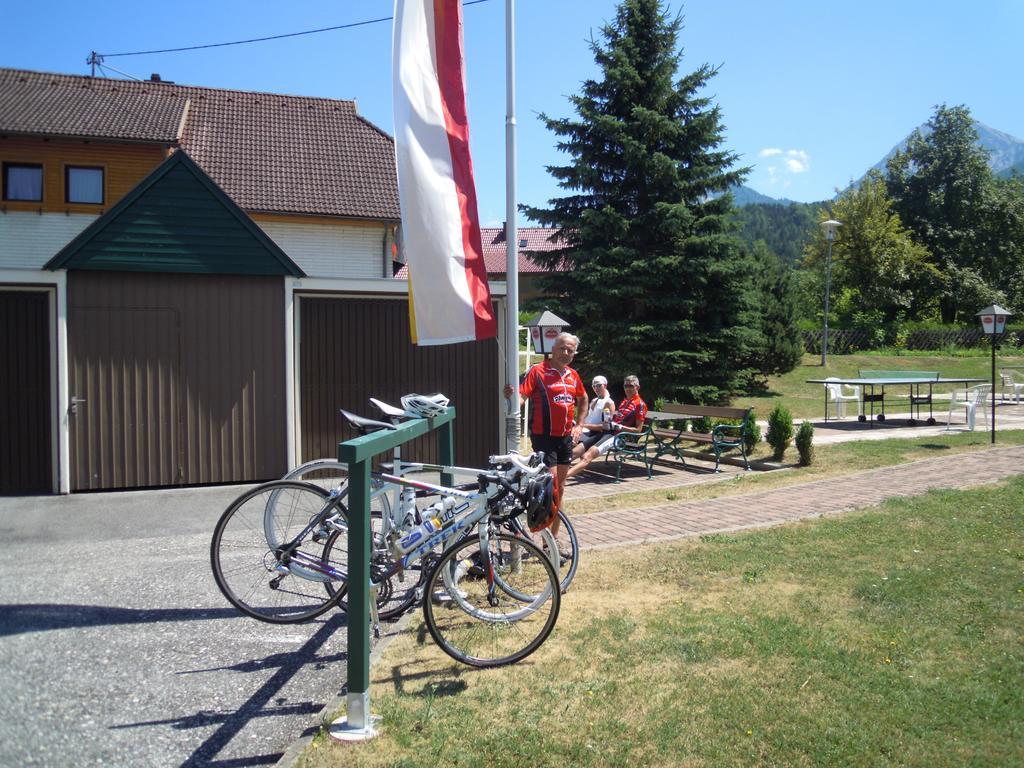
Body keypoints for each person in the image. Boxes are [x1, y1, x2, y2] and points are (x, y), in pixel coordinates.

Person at [503, 332, 587, 531]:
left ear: (573, 354)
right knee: (552, 487)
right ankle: (539, 532)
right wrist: (512, 399)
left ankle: (552, 540)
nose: (565, 353)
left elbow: (583, 399)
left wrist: (580, 425)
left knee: (561, 489)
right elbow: (522, 396)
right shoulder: (538, 371)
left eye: (570, 350)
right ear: (553, 349)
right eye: (562, 348)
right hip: (544, 438)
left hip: (565, 438)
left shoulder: (573, 375)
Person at [565, 374, 648, 480]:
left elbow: (638, 430)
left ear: (637, 387)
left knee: (587, 456)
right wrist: (608, 422)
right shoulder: (624, 402)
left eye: (631, 386)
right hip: (607, 432)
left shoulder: (640, 404)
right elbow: (612, 419)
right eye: (626, 386)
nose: (628, 388)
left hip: (619, 437)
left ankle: (561, 479)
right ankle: (553, 472)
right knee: (576, 451)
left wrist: (618, 426)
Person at [574, 375, 615, 459]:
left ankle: (557, 463)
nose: (596, 388)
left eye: (599, 385)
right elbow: (586, 419)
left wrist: (583, 425)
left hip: (595, 433)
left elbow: (605, 427)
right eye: (594, 386)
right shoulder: (593, 401)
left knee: (569, 438)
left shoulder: (608, 403)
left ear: (605, 385)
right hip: (586, 430)